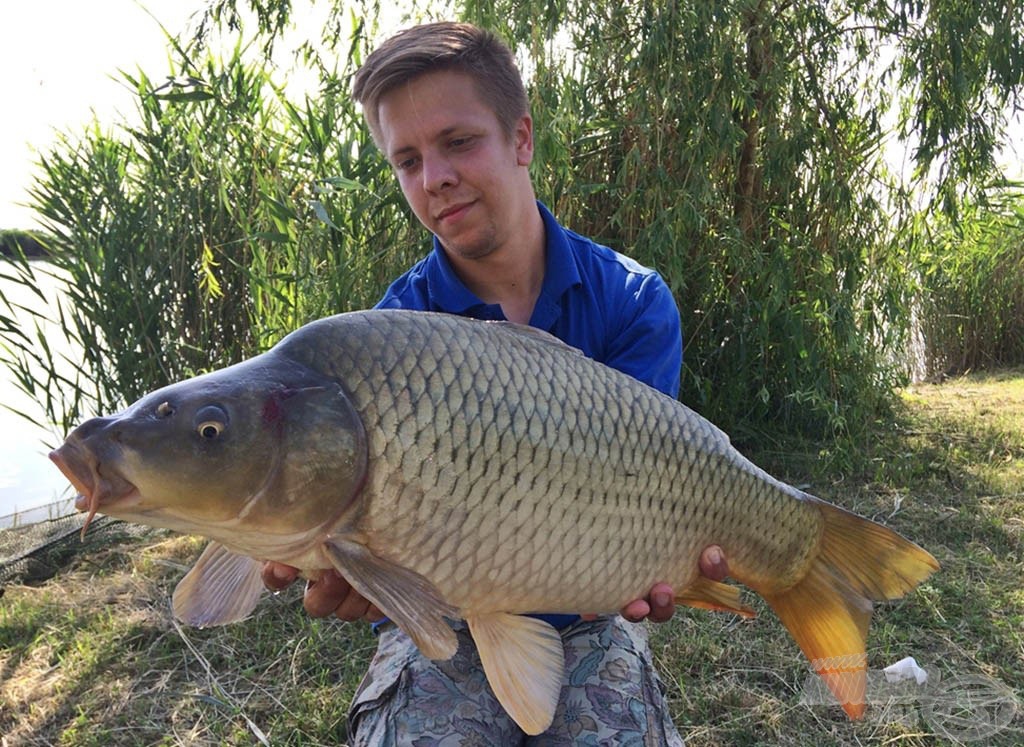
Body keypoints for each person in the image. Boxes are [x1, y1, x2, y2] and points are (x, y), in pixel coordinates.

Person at [263, 21, 729, 745]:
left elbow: (647, 490)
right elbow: (377, 562)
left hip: (588, 619)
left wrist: (666, 565)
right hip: (439, 627)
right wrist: (354, 570)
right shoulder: (392, 337)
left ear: (520, 138)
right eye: (406, 160)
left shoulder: (633, 300)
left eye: (457, 142)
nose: (433, 178)